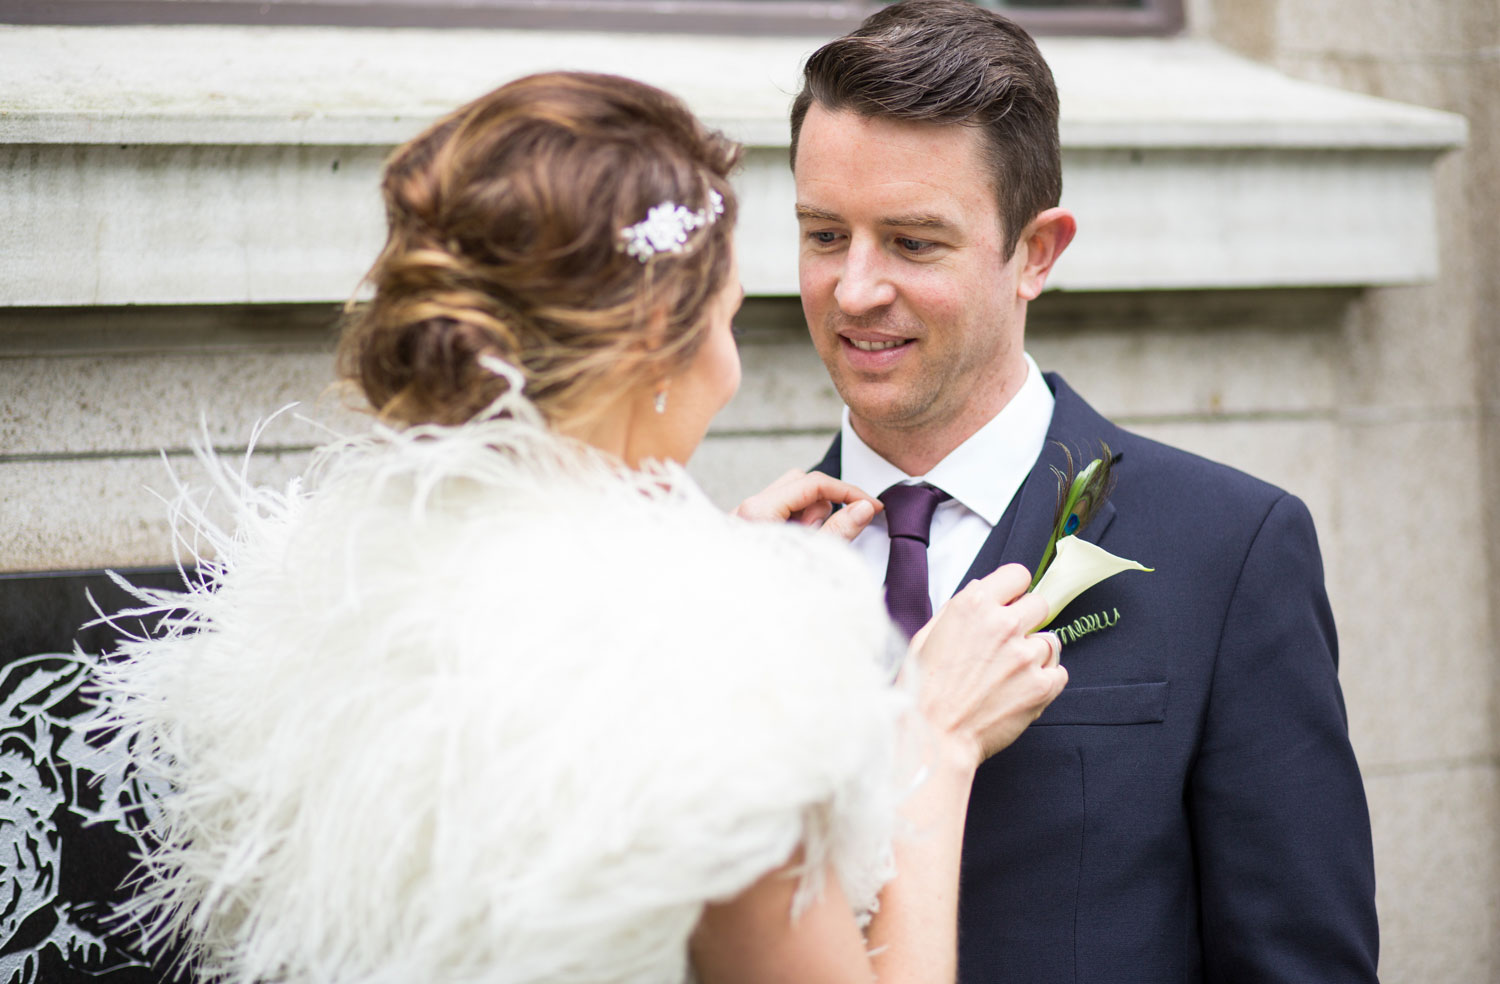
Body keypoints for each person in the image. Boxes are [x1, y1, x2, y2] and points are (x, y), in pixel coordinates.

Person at [88, 71, 1068, 984]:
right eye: (725, 319)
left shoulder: (328, 600)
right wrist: (930, 745)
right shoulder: (725, 677)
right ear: (657, 343)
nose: (731, 369)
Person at [785, 0, 1380, 983]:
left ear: (1038, 252)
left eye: (913, 241)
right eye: (821, 234)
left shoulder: (1231, 549)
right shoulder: (742, 572)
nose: (854, 289)